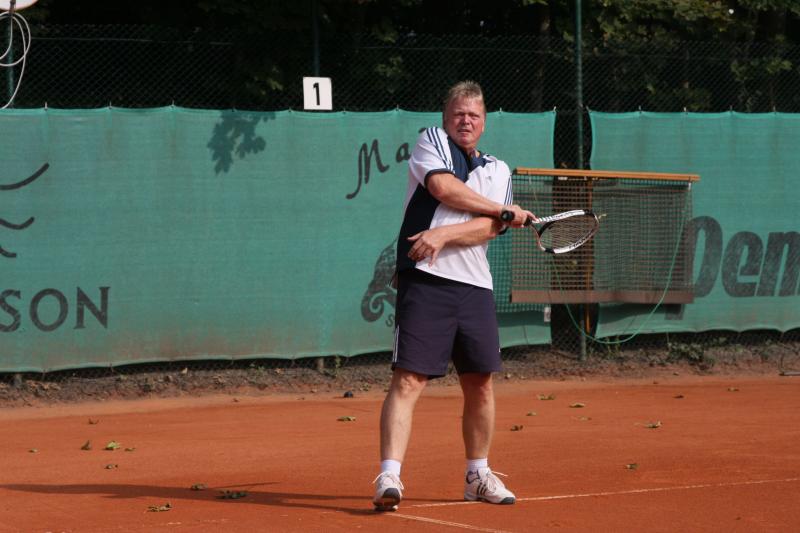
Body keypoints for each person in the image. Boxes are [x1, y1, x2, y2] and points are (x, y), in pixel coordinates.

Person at [372, 81, 535, 512]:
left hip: (475, 287)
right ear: (446, 118)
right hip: (426, 280)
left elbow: (490, 228)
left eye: (474, 115)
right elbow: (443, 189)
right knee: (409, 379)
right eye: (459, 113)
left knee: (480, 383)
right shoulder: (432, 141)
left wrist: (444, 234)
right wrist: (502, 211)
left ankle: (477, 475)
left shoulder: (498, 169)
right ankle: (389, 475)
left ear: (484, 123)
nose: (466, 121)